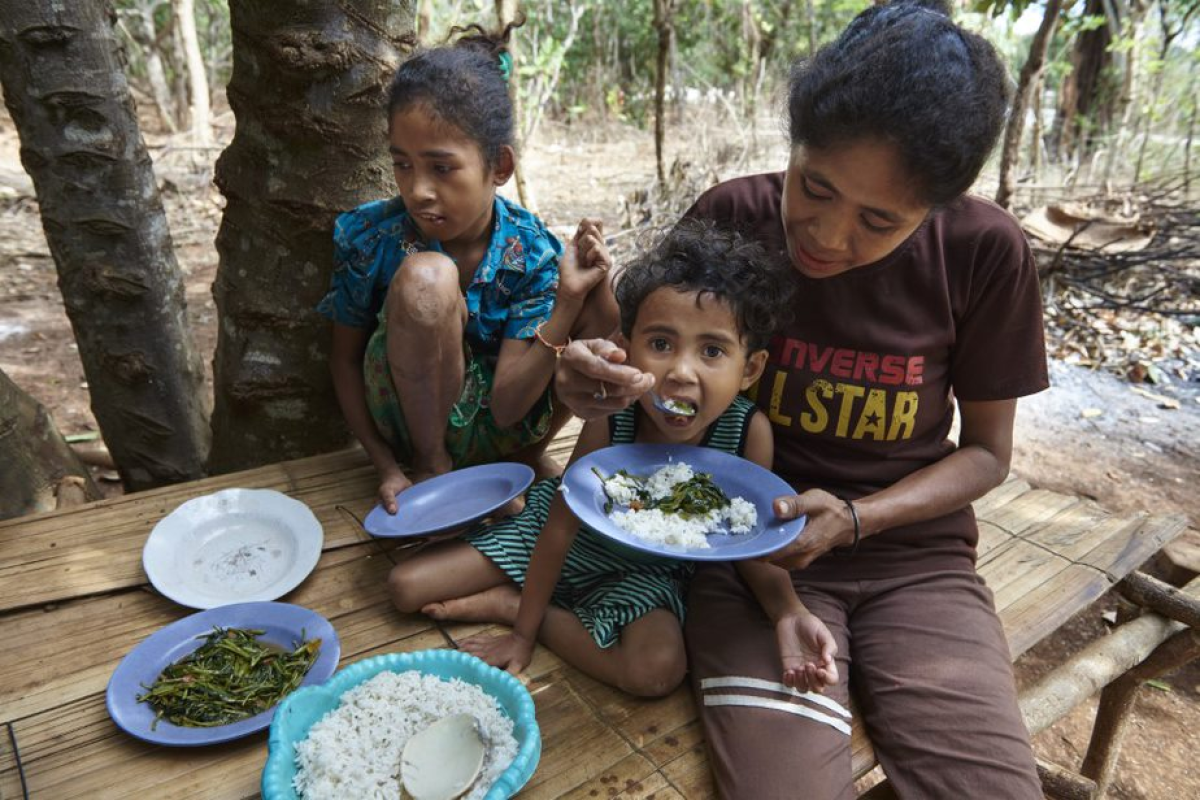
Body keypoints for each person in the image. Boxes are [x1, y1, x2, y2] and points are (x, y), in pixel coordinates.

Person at [553, 1, 1049, 797]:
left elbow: (989, 454)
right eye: (813, 186)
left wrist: (859, 518)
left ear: (935, 210)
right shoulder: (731, 219)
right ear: (794, 144)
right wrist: (593, 380)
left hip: (914, 565)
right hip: (744, 547)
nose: (825, 233)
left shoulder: (983, 252)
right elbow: (647, 380)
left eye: (878, 221)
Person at [387, 220, 838, 698]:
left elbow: (754, 543)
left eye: (712, 351)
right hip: (569, 542)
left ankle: (511, 606)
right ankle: (526, 602)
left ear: (750, 369)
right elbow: (561, 527)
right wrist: (518, 642)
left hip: (646, 575)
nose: (681, 372)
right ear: (626, 349)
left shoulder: (748, 434)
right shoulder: (611, 417)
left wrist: (789, 611)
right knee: (405, 586)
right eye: (660, 344)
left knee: (654, 672)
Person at [317, 20, 615, 514]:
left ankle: (521, 460)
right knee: (426, 277)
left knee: (602, 301)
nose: (417, 191)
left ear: (499, 166)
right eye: (403, 164)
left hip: (499, 424)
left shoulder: (531, 252)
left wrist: (569, 303)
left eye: (441, 167)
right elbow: (344, 360)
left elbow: (508, 406)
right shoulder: (372, 238)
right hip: (409, 429)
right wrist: (386, 465)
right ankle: (436, 471)